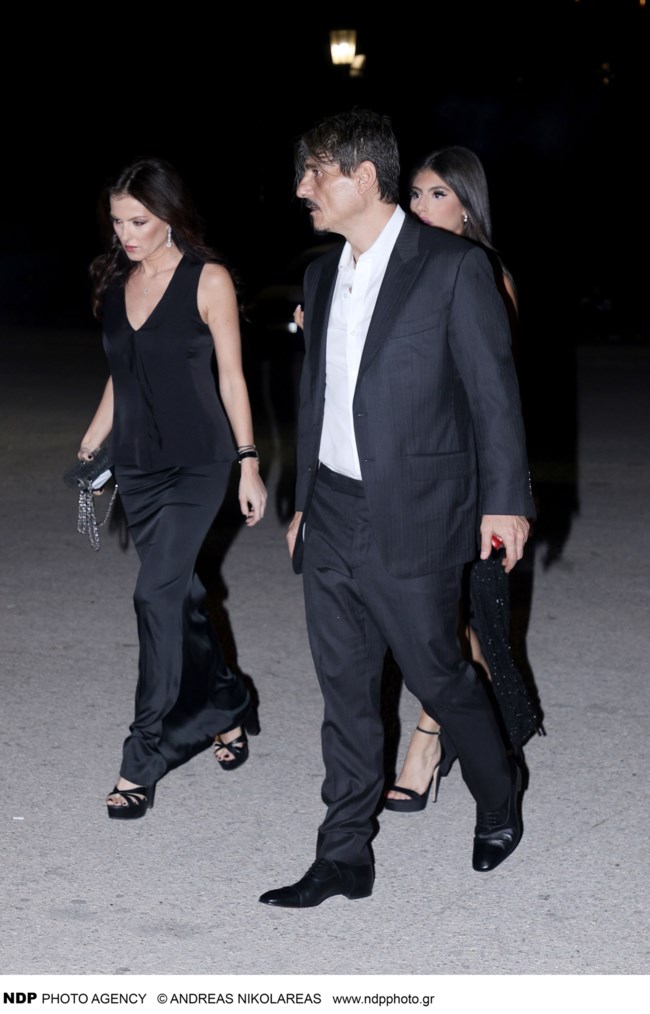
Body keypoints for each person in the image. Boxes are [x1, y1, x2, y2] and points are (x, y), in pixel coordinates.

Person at [258, 109, 535, 909]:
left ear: (363, 176)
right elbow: (319, 397)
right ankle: (343, 853)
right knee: (345, 690)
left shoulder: (453, 267)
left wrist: (505, 502)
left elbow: (492, 393)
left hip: (416, 511)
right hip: (333, 511)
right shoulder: (321, 277)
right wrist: (304, 502)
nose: (302, 187)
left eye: (316, 171)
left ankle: (499, 792)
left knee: (439, 675)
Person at [78, 157, 267, 820]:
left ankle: (144, 753)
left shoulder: (207, 279)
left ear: (168, 214)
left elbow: (232, 376)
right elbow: (122, 371)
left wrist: (248, 462)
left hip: (197, 462)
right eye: (117, 222)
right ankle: (226, 703)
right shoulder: (117, 279)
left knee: (153, 594)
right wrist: (93, 437)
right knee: (178, 592)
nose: (126, 234)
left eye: (139, 221)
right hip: (137, 464)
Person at [383, 146, 543, 812]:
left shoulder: (483, 272)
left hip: (471, 474)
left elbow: (494, 392)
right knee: (431, 616)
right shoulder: (400, 269)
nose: (421, 207)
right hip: (418, 471)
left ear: (468, 206)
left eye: (438, 195)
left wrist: (503, 496)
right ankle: (458, 727)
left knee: (451, 618)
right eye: (416, 194)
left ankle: (428, 739)